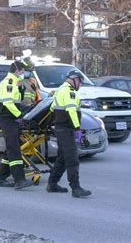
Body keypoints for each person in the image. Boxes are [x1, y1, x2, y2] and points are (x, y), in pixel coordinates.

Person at [47, 70, 91, 198]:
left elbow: (51, 109)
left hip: (61, 128)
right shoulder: (69, 92)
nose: (80, 85)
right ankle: (76, 188)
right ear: (75, 80)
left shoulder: (60, 90)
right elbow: (71, 111)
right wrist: (77, 128)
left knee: (62, 158)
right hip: (66, 129)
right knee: (72, 158)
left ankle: (52, 184)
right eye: (80, 82)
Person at [0, 60, 33, 189]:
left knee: (10, 150)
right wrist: (20, 116)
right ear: (17, 70)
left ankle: (0, 179)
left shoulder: (15, 83)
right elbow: (8, 103)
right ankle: (19, 180)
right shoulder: (9, 83)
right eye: (23, 71)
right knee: (14, 150)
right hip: (8, 120)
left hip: (11, 120)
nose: (24, 73)